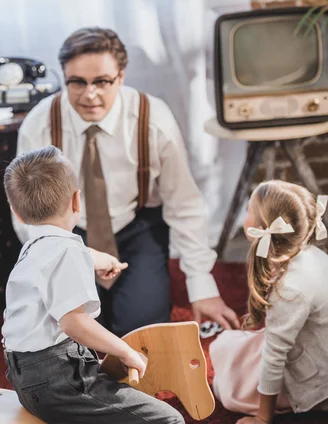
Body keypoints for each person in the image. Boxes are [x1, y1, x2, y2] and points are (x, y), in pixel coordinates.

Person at [2, 145, 186, 424]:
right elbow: (74, 323)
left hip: (25, 374)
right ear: (76, 201)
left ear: (17, 212)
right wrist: (129, 352)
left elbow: (69, 253)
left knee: (108, 387)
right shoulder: (64, 251)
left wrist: (97, 257)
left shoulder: (35, 246)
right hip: (56, 378)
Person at [12, 27, 239, 336]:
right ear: (64, 78)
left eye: (102, 81)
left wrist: (202, 286)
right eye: (77, 82)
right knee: (71, 338)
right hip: (66, 235)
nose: (90, 94)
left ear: (121, 76)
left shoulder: (152, 118)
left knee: (140, 335)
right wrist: (72, 257)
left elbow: (183, 203)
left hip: (137, 228)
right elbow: (26, 215)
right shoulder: (40, 123)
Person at [210, 181, 328, 424]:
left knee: (224, 389)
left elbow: (275, 357)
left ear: (261, 228)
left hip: (315, 381)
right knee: (224, 346)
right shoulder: (311, 255)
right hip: (313, 348)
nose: (245, 216)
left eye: (248, 210)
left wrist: (263, 417)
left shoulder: (291, 290)